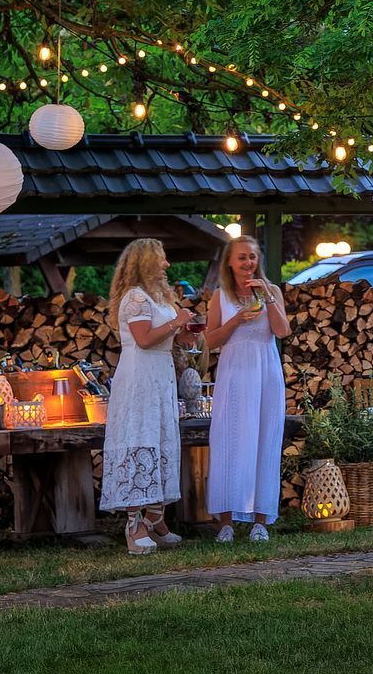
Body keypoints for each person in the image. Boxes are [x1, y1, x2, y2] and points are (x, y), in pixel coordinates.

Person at [101, 238, 198, 555]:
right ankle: (134, 524)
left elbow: (165, 334)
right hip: (139, 377)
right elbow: (143, 339)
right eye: (161, 259)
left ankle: (156, 518)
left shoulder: (158, 297)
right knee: (139, 441)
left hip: (160, 376)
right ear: (144, 263)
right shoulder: (135, 298)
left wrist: (184, 332)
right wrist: (177, 321)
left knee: (160, 441)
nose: (166, 265)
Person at [204, 235, 292, 542]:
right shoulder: (220, 296)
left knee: (265, 439)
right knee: (229, 441)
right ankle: (226, 522)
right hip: (234, 373)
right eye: (242, 257)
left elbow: (282, 331)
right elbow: (210, 340)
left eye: (252, 257)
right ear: (230, 262)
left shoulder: (273, 291)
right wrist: (236, 320)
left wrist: (267, 295)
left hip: (265, 371)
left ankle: (260, 522)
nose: (248, 263)